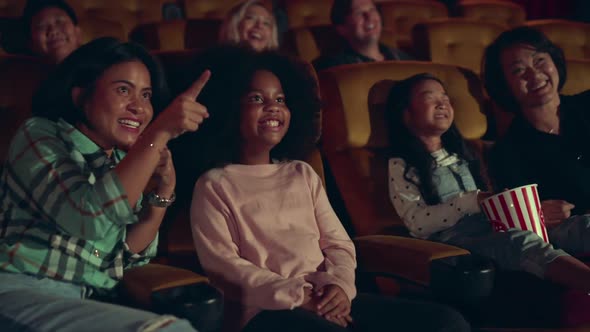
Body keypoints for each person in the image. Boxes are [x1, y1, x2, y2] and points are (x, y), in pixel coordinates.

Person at [189, 47, 470, 332]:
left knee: (448, 323)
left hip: (330, 298)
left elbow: (339, 244)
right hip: (267, 312)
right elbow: (223, 267)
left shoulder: (302, 173)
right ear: (229, 109)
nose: (273, 106)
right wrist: (300, 298)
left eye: (281, 99)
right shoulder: (214, 184)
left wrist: (340, 287)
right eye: (257, 98)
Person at [0, 37, 211, 331]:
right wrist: (159, 132)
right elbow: (87, 218)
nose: (139, 107)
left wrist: (163, 192)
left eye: (147, 95)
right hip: (19, 290)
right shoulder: (40, 135)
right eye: (123, 90)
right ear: (80, 95)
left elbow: (123, 258)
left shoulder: (122, 162)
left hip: (85, 300)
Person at [386, 73, 590, 298]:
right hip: (455, 241)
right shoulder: (401, 164)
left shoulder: (464, 154)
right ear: (406, 114)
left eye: (445, 96)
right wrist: (471, 202)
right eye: (429, 97)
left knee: (581, 225)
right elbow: (417, 224)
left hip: (495, 225)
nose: (443, 102)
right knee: (521, 242)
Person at [485, 27, 590, 225]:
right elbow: (526, 218)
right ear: (504, 84)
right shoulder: (508, 151)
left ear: (554, 62)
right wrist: (539, 214)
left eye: (539, 60)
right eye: (518, 70)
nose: (534, 75)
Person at [312, 0, 412, 72]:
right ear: (342, 28)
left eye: (372, 10)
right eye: (359, 13)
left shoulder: (401, 58)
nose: (369, 17)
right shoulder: (333, 67)